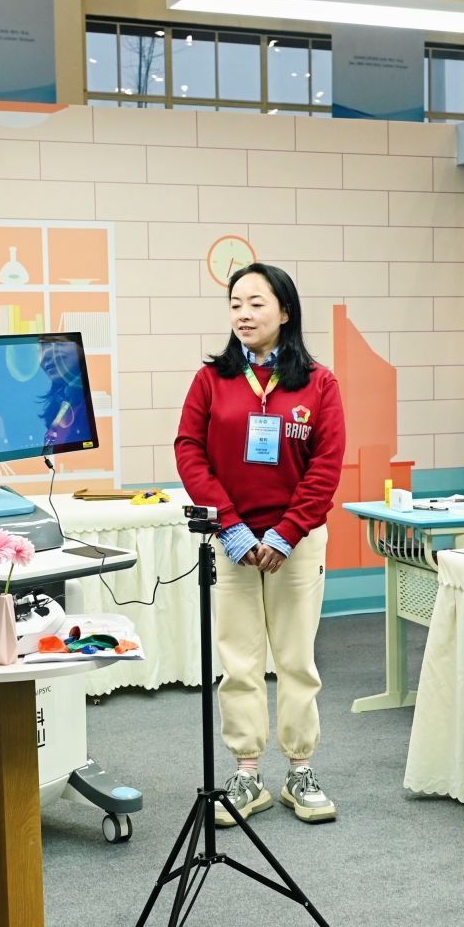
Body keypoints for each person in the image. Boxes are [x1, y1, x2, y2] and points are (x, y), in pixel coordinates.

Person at [174, 263, 347, 825]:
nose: (243, 315)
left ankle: (300, 771)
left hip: (297, 542)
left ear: (285, 311)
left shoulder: (318, 383)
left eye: (256, 303)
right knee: (240, 661)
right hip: (233, 544)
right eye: (235, 304)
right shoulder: (211, 380)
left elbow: (326, 466)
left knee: (296, 659)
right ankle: (247, 774)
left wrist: (287, 532)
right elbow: (189, 451)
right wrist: (230, 527)